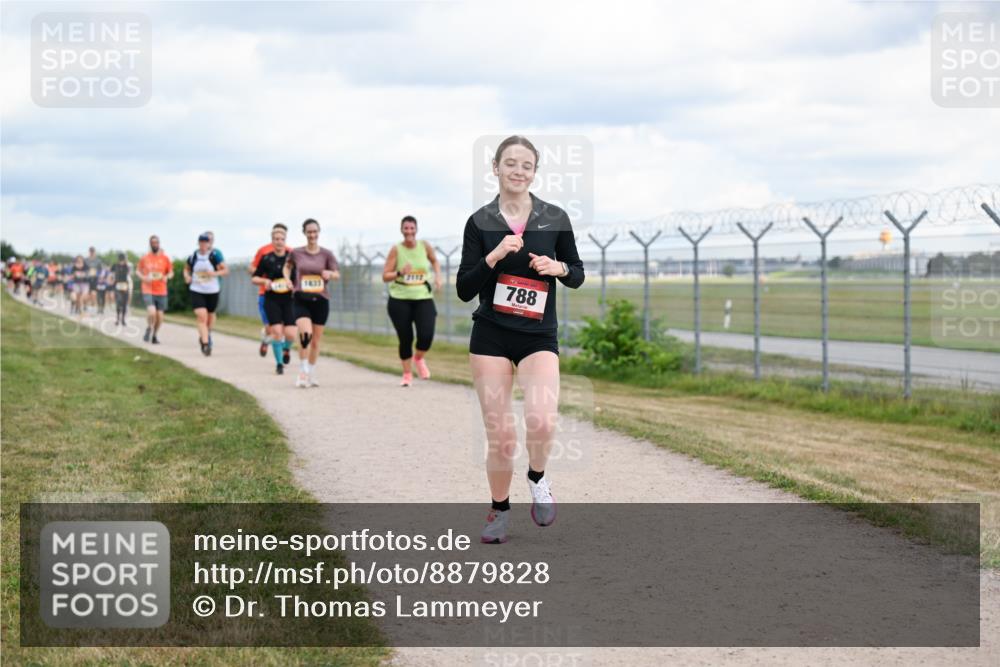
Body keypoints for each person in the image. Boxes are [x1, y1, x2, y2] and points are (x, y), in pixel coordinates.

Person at [456, 135, 585, 544]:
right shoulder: (479, 222)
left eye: (525, 165)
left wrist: (558, 267)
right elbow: (463, 288)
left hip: (537, 336)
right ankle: (499, 510)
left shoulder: (555, 217)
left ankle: (538, 477)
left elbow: (578, 274)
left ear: (534, 172)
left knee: (542, 420)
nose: (517, 170)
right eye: (509, 163)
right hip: (491, 334)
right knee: (501, 433)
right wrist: (492, 257)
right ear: (495, 168)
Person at [382, 215, 442, 386]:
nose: (409, 231)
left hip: (423, 297)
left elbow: (434, 260)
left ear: (416, 229)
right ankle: (407, 374)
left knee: (426, 335)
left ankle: (419, 358)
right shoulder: (396, 250)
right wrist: (400, 272)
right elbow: (385, 276)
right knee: (405, 338)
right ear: (401, 230)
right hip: (399, 299)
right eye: (406, 228)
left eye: (412, 228)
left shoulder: (425, 246)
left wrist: (438, 276)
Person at [284, 218, 339, 387]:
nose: (312, 235)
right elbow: (287, 266)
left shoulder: (327, 254)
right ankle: (302, 372)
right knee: (305, 335)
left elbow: (337, 274)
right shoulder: (297, 252)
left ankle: (312, 371)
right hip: (301, 298)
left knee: (315, 341)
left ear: (319, 232)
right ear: (304, 233)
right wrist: (287, 279)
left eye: (315, 231)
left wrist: (330, 273)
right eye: (309, 232)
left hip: (321, 300)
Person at [252, 225, 297, 374]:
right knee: (277, 332)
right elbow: (255, 277)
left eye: (282, 239)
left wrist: (293, 284)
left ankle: (286, 349)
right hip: (272, 299)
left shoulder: (292, 257)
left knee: (291, 334)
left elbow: (299, 276)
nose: (279, 242)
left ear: (285, 240)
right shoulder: (267, 258)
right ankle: (279, 364)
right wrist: (265, 282)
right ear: (272, 241)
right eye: (276, 239)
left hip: (289, 299)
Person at [184, 233, 228, 356]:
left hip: (212, 290)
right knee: (201, 316)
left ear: (209, 243)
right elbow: (186, 269)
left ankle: (206, 334)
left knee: (210, 316)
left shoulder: (214, 256)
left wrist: (214, 274)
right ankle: (205, 344)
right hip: (197, 289)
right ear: (198, 243)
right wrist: (187, 276)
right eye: (201, 242)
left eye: (206, 242)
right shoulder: (193, 256)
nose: (204, 244)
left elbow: (225, 270)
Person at [137, 235, 173, 344]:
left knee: (160, 316)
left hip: (161, 290)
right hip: (148, 289)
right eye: (152, 243)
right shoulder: (145, 258)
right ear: (150, 244)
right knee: (152, 312)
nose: (155, 245)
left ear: (159, 244)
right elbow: (138, 271)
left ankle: (154, 335)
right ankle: (149, 327)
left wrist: (167, 277)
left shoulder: (165, 258)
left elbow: (171, 272)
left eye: (156, 243)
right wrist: (144, 277)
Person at [249, 227, 279, 358]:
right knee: (270, 329)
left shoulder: (289, 251)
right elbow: (252, 268)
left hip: (284, 294)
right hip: (265, 293)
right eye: (276, 236)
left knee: (281, 328)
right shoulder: (264, 251)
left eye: (282, 235)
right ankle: (266, 340)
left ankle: (281, 357)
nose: (279, 239)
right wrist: (263, 278)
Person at [111, 253, 132, 326]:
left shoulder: (127, 266)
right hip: (117, 285)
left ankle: (123, 319)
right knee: (119, 301)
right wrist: (112, 279)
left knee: (124, 303)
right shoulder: (115, 265)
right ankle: (117, 318)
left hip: (125, 285)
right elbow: (111, 273)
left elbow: (129, 273)